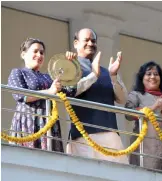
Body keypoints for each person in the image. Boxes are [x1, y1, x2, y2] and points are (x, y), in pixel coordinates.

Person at [66, 28, 129, 164]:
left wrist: (113, 76)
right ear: (76, 43)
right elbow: (70, 91)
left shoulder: (106, 71)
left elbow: (123, 99)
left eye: (93, 41)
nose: (90, 43)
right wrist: (93, 75)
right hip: (83, 137)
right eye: (86, 40)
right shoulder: (70, 67)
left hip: (110, 137)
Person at [7, 38, 77, 152]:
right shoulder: (18, 72)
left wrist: (72, 64)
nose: (39, 55)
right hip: (27, 121)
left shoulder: (49, 77)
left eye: (41, 52)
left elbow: (70, 91)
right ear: (24, 54)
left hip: (48, 125)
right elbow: (20, 95)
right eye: (35, 51)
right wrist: (49, 92)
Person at [125, 61, 162, 172]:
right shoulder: (136, 94)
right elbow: (128, 113)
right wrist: (152, 107)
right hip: (147, 149)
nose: (153, 77)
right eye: (149, 74)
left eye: (156, 74)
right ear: (142, 78)